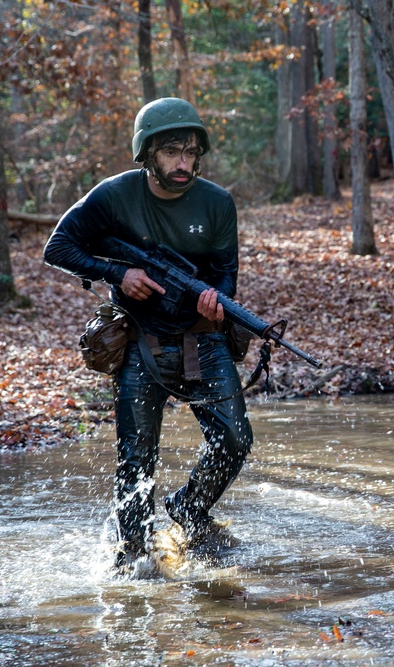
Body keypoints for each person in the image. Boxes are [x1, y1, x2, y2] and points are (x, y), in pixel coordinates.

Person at [43, 97, 253, 575]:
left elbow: (226, 274)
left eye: (191, 152)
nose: (184, 163)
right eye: (172, 151)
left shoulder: (217, 202)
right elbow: (58, 247)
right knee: (136, 461)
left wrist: (215, 301)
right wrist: (116, 272)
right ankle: (132, 560)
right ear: (147, 153)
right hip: (140, 339)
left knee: (236, 440)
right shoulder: (113, 196)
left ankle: (189, 513)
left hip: (203, 339)